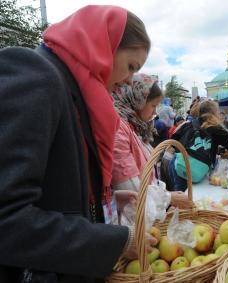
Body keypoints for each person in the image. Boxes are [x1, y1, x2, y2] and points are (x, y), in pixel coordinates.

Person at [0, 5, 157, 282]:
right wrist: (115, 241)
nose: (130, 80)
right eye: (131, 66)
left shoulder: (78, 92)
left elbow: (53, 185)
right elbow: (8, 220)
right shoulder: (35, 74)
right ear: (101, 45)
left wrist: (93, 197)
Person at [111, 74, 191, 209]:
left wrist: (166, 193)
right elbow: (131, 189)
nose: (155, 112)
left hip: (146, 212)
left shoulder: (136, 127)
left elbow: (148, 177)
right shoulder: (118, 129)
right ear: (137, 101)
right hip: (132, 221)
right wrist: (168, 198)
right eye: (153, 105)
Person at [170, 100, 228, 191]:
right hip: (198, 168)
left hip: (179, 164)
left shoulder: (188, 124)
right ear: (215, 112)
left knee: (181, 196)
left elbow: (173, 142)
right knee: (196, 196)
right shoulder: (218, 129)